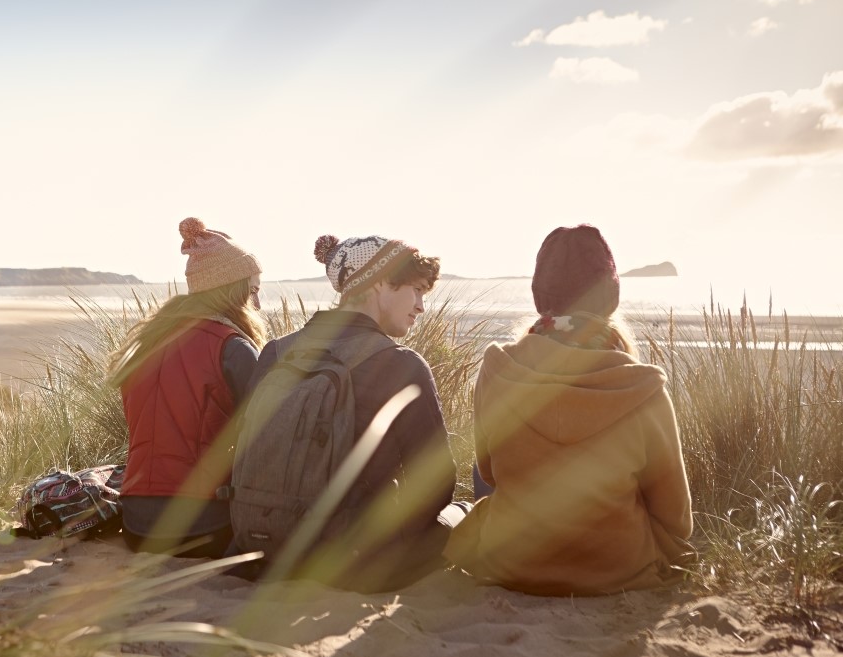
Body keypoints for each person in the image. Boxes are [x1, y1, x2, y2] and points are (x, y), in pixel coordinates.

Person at [444, 224, 694, 595]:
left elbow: (490, 473)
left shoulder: (497, 368)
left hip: (510, 563)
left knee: (464, 517)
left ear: (539, 295)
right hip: (619, 569)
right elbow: (676, 516)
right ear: (610, 297)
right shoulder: (642, 386)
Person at [237, 233, 460, 592]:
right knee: (461, 516)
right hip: (355, 560)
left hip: (262, 545)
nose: (421, 306)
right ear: (379, 283)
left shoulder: (276, 353)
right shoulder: (399, 363)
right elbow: (437, 486)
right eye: (417, 289)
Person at [108, 217, 266, 559]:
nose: (258, 303)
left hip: (136, 524)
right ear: (234, 289)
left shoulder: (147, 342)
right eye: (253, 290)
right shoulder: (232, 347)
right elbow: (266, 435)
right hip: (201, 527)